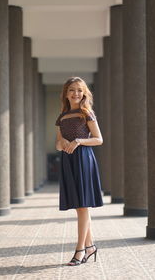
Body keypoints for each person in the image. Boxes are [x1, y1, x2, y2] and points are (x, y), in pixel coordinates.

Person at [55, 76, 104, 266]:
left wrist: (78, 141)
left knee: (82, 206)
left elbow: (99, 139)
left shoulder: (87, 113)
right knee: (79, 206)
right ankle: (90, 247)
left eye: (80, 90)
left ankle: (80, 250)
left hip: (83, 159)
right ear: (66, 93)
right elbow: (58, 144)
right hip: (68, 161)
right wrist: (64, 143)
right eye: (72, 90)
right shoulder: (61, 117)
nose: (76, 93)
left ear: (84, 93)